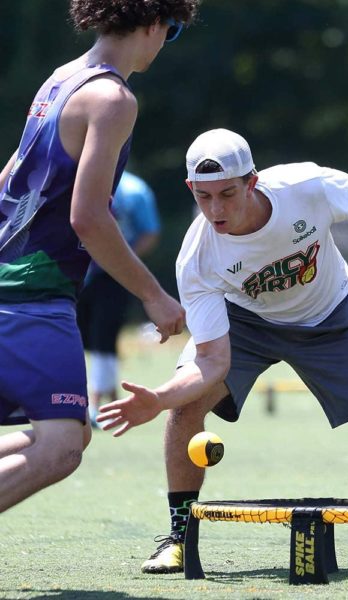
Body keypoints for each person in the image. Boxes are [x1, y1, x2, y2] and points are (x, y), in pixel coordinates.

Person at [95, 128, 348, 574]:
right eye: (204, 196)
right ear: (190, 188)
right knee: (186, 407)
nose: (216, 210)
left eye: (228, 194)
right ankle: (179, 538)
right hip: (247, 323)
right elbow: (211, 361)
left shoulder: (304, 186)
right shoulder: (197, 257)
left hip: (330, 316)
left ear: (252, 182)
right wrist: (160, 398)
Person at [0, 0, 194, 514]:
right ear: (153, 23)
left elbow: (8, 180)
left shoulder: (58, 80)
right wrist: (154, 297)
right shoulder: (113, 99)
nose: (165, 43)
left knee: (68, 433)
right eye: (171, 31)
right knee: (61, 448)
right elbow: (87, 218)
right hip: (33, 295)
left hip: (10, 283)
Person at [77, 171, 162, 427]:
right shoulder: (79, 178)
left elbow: (150, 232)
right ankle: (109, 397)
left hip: (114, 276)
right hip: (78, 271)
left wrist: (121, 260)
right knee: (83, 337)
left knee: (104, 336)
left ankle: (95, 404)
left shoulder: (135, 189)